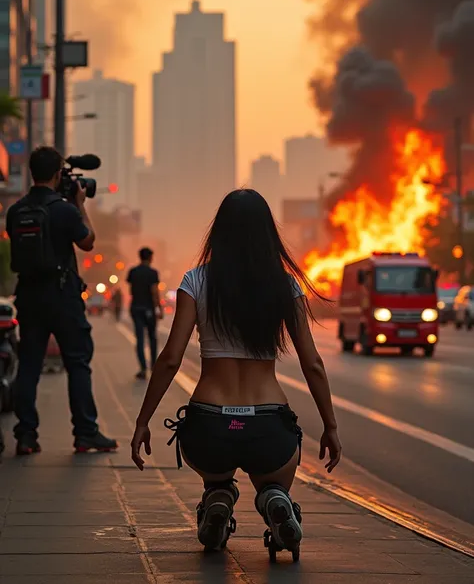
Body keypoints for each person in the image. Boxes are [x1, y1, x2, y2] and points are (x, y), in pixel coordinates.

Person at [131, 190, 341, 558]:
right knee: (273, 480)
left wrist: (142, 421)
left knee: (216, 473)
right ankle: (274, 500)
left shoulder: (195, 281)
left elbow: (169, 359)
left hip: (209, 426)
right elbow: (313, 364)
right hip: (268, 427)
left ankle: (218, 497)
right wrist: (330, 426)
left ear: (218, 232)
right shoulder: (286, 285)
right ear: (267, 233)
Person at [6, 146, 118, 456]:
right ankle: (85, 433)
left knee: (28, 366)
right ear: (58, 174)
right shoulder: (65, 210)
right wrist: (80, 204)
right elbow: (87, 241)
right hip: (62, 296)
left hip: (28, 296)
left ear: (32, 173)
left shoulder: (16, 211)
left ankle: (26, 435)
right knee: (78, 364)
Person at [127, 248, 163, 380]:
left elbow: (131, 291)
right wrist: (159, 308)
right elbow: (154, 292)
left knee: (140, 339)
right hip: (148, 309)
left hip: (136, 307)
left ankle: (142, 368)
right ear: (150, 258)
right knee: (152, 337)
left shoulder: (133, 272)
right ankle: (153, 366)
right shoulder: (152, 273)